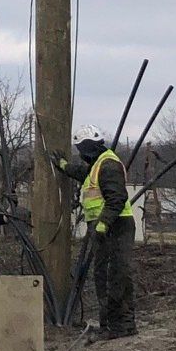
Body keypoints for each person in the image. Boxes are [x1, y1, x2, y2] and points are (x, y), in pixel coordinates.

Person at [51, 124, 137, 339]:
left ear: (86, 147)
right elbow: (83, 174)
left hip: (114, 227)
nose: (80, 154)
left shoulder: (107, 165)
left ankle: (117, 327)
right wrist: (63, 166)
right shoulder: (98, 164)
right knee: (110, 275)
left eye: (80, 149)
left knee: (112, 276)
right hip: (109, 227)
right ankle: (119, 325)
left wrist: (103, 224)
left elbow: (117, 199)